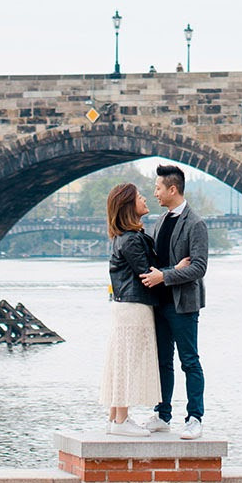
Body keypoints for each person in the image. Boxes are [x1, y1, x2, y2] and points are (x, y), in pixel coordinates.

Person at [140, 163, 208, 437]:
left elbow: (199, 268)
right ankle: (163, 414)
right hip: (160, 304)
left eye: (158, 188)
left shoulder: (196, 223)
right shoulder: (161, 220)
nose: (154, 193)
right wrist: (170, 271)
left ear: (172, 188)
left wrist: (166, 277)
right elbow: (158, 262)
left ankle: (195, 418)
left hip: (183, 305)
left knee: (189, 361)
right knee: (162, 362)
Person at [100, 182, 161, 436]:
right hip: (134, 307)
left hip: (124, 307)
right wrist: (174, 271)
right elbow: (146, 275)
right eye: (139, 197)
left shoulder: (121, 238)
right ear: (128, 206)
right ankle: (122, 420)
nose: (145, 199)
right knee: (129, 362)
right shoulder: (132, 239)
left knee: (121, 360)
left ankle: (115, 418)